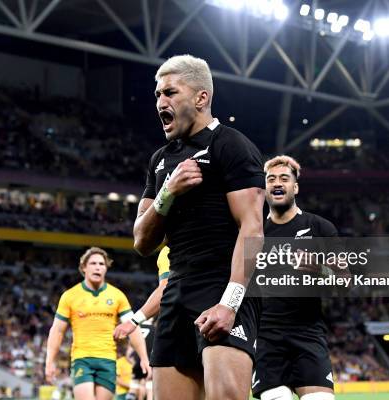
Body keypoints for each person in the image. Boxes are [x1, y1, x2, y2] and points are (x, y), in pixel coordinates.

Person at [133, 54, 265, 400]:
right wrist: (167, 192)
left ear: (201, 98)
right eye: (158, 95)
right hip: (176, 292)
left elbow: (252, 230)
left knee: (226, 397)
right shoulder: (160, 161)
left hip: (222, 285)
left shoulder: (231, 145)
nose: (161, 102)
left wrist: (230, 303)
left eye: (171, 93)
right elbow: (142, 241)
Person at [253, 155, 343, 400]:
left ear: (296, 187)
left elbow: (345, 281)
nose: (277, 183)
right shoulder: (254, 231)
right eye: (271, 179)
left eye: (284, 178)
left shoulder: (320, 228)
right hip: (265, 337)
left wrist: (320, 269)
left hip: (308, 334)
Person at [45, 247, 151, 400]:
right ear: (84, 268)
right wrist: (50, 361)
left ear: (106, 268)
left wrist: (144, 358)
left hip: (107, 361)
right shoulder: (70, 296)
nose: (97, 267)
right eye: (93, 263)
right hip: (82, 359)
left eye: (101, 264)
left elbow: (133, 329)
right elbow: (57, 331)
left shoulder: (117, 296)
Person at [114, 247, 169, 400]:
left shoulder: (138, 327)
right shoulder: (155, 328)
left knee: (135, 384)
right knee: (149, 387)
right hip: (150, 359)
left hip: (137, 360)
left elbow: (131, 347)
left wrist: (131, 357)